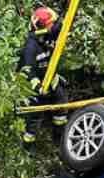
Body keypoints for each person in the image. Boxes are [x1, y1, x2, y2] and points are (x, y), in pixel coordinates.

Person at [18, 6, 68, 145]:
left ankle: (59, 135)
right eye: (51, 23)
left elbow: (60, 27)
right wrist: (38, 88)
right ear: (41, 26)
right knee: (33, 116)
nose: (54, 26)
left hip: (51, 77)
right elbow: (28, 71)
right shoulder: (30, 47)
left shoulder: (47, 35)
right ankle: (28, 143)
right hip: (34, 85)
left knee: (61, 103)